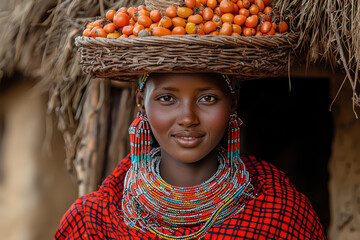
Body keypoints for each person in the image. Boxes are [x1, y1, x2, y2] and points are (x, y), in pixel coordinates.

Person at [54, 72, 327, 239]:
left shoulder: (279, 213)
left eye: (207, 98)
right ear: (141, 102)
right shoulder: (93, 222)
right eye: (166, 99)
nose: (187, 118)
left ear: (233, 101)